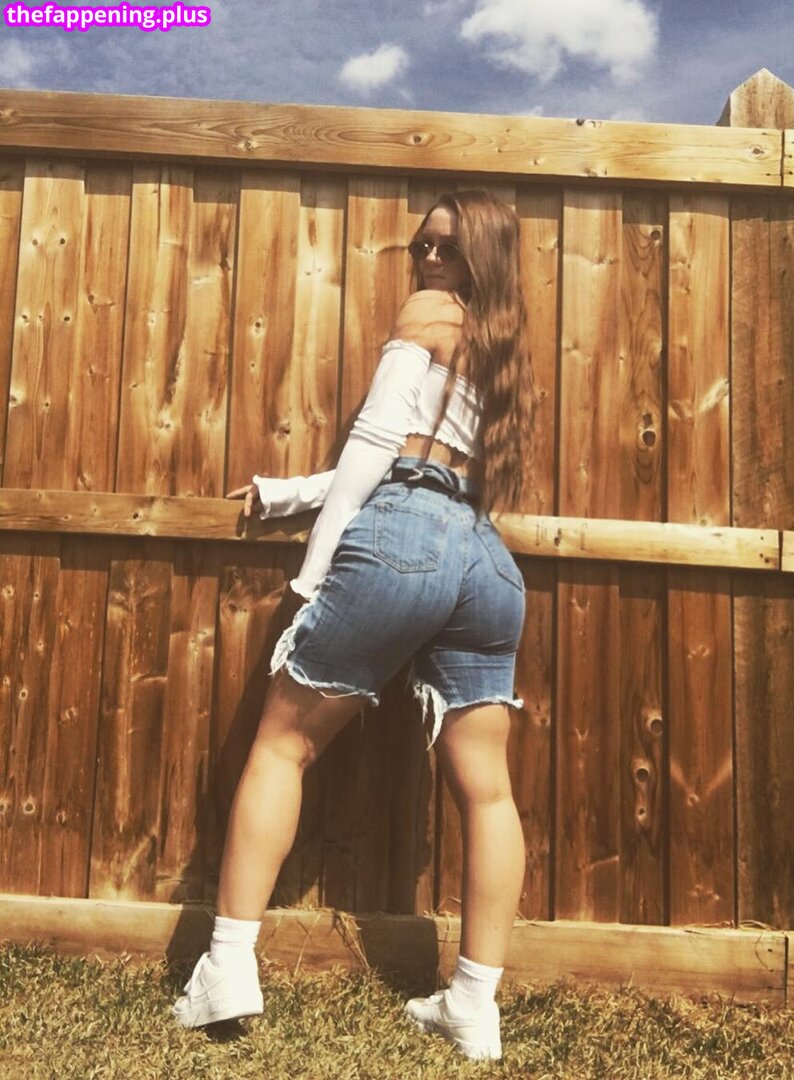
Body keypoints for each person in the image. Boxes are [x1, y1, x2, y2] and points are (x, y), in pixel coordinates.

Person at [173, 189, 535, 1062]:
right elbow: (423, 457)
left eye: (448, 247)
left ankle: (227, 968)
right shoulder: (503, 345)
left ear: (480, 256)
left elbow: (377, 447)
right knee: (488, 790)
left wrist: (313, 570)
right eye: (421, 246)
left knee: (281, 746)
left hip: (404, 536)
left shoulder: (427, 314)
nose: (429, 261)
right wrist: (286, 494)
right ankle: (474, 1006)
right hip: (484, 558)